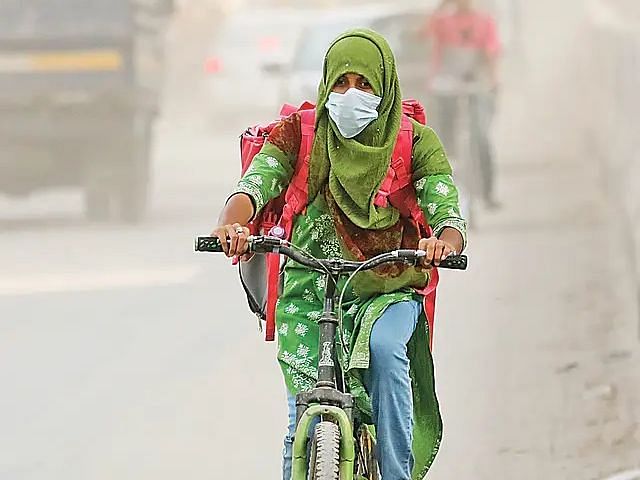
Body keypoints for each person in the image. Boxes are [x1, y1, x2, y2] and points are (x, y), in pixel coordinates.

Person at [211, 29, 467, 480]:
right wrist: (233, 222)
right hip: (311, 289)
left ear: (385, 89)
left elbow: (446, 210)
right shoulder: (301, 134)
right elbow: (256, 183)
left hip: (387, 287)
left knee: (386, 351)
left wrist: (443, 240)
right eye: (341, 83)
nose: (351, 95)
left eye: (365, 85)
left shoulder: (415, 143)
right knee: (302, 409)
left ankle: (395, 473)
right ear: (326, 85)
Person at [425, 0, 501, 209]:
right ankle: (446, 181)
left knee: (481, 137)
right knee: (444, 136)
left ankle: (487, 193)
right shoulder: (443, 21)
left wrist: (492, 80)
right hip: (448, 83)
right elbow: (428, 39)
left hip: (478, 83)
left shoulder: (484, 22)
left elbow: (491, 52)